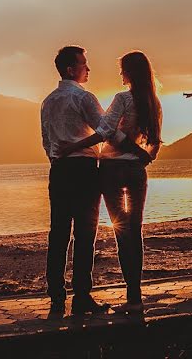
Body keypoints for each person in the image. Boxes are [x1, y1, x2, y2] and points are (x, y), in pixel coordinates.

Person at [40, 46, 146, 315]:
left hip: (59, 169)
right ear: (71, 70)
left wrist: (56, 160)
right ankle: (81, 296)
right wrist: (137, 150)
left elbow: (46, 140)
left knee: (58, 233)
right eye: (84, 64)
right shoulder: (84, 98)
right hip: (84, 168)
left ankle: (56, 298)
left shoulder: (48, 101)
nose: (88, 69)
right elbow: (106, 131)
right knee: (85, 234)